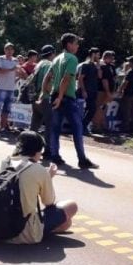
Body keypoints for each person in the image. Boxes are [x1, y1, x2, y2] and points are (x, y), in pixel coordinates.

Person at [4, 131, 78, 245]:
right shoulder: (38, 169)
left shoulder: (5, 162)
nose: (41, 155)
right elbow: (49, 202)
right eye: (41, 152)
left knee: (66, 223)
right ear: (36, 151)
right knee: (71, 207)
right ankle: (42, 231)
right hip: (22, 233)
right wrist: (48, 177)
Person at [42, 33, 97, 169]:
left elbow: (47, 78)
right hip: (66, 98)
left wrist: (45, 94)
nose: (78, 45)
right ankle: (82, 160)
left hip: (55, 97)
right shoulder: (72, 59)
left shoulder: (56, 59)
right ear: (69, 44)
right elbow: (66, 79)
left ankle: (55, 156)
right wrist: (61, 97)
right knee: (77, 128)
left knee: (55, 128)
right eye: (76, 43)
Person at [0, 43, 22, 134]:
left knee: (6, 110)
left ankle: (2, 128)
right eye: (7, 49)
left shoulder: (15, 60)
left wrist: (22, 74)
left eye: (11, 49)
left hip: (11, 88)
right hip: (1, 87)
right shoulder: (0, 58)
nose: (9, 51)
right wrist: (11, 69)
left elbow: (17, 73)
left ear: (13, 51)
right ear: (4, 50)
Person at [29, 45, 56, 154]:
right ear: (52, 53)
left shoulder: (38, 64)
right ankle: (48, 150)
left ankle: (28, 148)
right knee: (50, 125)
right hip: (45, 97)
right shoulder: (50, 65)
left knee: (35, 124)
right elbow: (50, 81)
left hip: (35, 98)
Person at [77, 47, 100, 133]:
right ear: (93, 54)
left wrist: (98, 65)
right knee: (92, 109)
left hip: (94, 90)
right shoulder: (85, 65)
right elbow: (80, 78)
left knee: (90, 109)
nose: (99, 56)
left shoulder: (96, 65)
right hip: (87, 90)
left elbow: (100, 76)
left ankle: (83, 126)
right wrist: (83, 90)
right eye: (97, 54)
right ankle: (82, 126)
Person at [119, 56, 133, 135]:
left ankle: (126, 128)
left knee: (127, 111)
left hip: (128, 94)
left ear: (132, 63)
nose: (128, 63)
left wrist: (120, 90)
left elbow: (125, 82)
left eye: (129, 61)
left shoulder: (130, 72)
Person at [96, 50, 116, 134]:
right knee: (99, 108)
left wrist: (113, 91)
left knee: (104, 108)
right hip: (102, 91)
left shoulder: (111, 66)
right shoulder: (102, 66)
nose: (112, 59)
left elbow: (114, 78)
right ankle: (96, 126)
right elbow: (104, 80)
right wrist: (108, 92)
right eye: (111, 58)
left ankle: (102, 125)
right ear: (106, 57)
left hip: (109, 91)